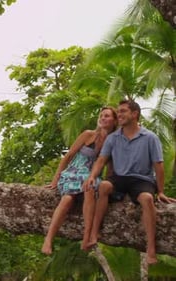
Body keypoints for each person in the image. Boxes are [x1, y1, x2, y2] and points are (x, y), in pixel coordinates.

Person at [83, 99, 176, 265]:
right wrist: (92, 176)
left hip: (142, 179)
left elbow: (158, 166)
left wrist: (160, 191)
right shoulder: (113, 138)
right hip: (119, 178)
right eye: (118, 112)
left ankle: (151, 248)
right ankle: (94, 233)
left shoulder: (150, 137)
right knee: (103, 186)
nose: (119, 114)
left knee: (147, 199)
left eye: (123, 111)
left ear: (134, 114)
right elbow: (101, 160)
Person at [41, 106, 118, 255]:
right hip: (72, 173)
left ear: (114, 121)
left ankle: (86, 236)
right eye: (101, 115)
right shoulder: (88, 135)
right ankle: (48, 239)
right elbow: (68, 156)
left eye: (107, 116)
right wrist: (55, 179)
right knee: (67, 200)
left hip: (91, 177)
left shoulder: (113, 142)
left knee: (89, 189)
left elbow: (110, 167)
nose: (102, 118)